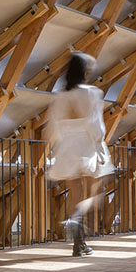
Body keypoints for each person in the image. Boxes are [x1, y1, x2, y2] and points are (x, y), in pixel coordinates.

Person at [46, 52, 114, 256]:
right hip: (86, 143)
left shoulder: (60, 95)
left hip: (67, 145)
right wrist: (99, 142)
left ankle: (78, 241)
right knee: (97, 191)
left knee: (75, 193)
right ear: (84, 71)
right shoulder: (92, 93)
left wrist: (56, 144)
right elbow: (96, 124)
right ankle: (79, 220)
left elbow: (53, 123)